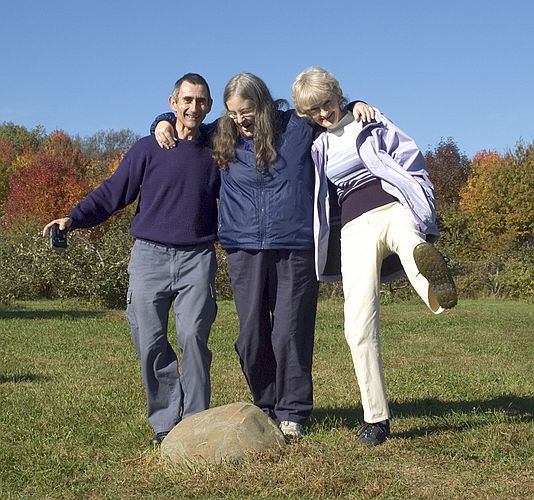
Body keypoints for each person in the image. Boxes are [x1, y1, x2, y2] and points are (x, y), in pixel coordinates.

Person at [152, 73, 376, 439]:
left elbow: (327, 114)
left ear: (265, 105)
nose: (242, 119)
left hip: (295, 246)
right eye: (234, 112)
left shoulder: (297, 128)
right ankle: (266, 404)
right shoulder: (220, 133)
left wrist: (353, 106)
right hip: (243, 248)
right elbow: (186, 126)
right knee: (252, 335)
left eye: (249, 110)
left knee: (290, 331)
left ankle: (293, 412)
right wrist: (160, 120)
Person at [42, 73, 220, 446]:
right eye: (187, 100)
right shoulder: (147, 148)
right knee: (150, 339)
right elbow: (113, 192)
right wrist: (73, 218)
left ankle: (196, 422)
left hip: (197, 257)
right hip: (149, 256)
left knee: (193, 336)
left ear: (209, 106)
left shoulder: (216, 152)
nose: (194, 108)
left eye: (201, 101)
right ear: (173, 103)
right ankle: (165, 423)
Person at [291, 67, 457, 446]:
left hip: (392, 208)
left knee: (412, 245)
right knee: (357, 325)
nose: (323, 114)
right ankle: (376, 418)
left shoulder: (369, 118)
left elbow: (410, 154)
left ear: (338, 95)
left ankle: (437, 289)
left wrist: (419, 198)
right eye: (314, 110)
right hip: (353, 230)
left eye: (328, 104)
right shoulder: (319, 146)